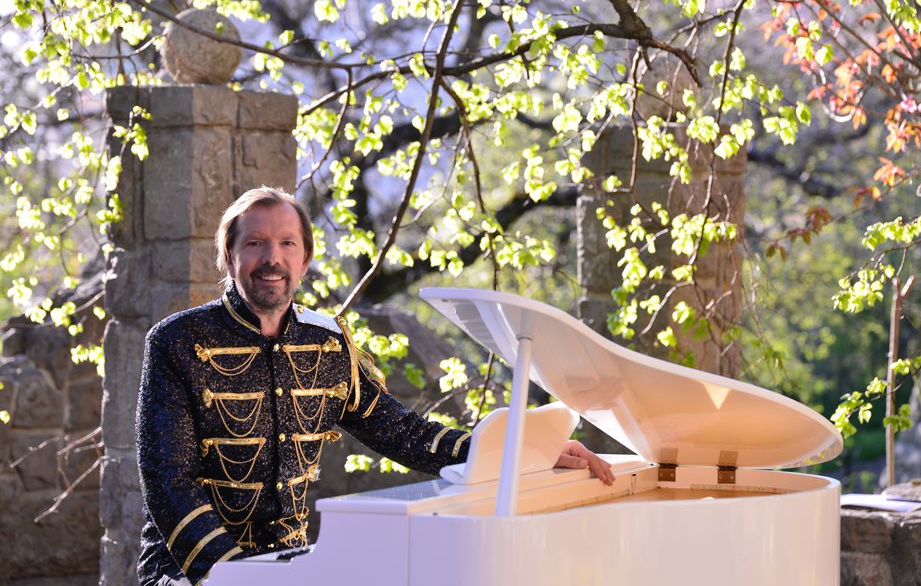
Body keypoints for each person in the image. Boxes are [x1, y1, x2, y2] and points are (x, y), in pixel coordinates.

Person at [135, 187, 614, 586]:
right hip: (188, 573)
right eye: (255, 244)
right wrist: (233, 574)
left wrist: (520, 450)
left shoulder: (328, 344)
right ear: (228, 256)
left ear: (304, 260)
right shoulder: (177, 342)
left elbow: (401, 432)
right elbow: (168, 480)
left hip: (290, 569)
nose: (271, 259)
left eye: (286, 244)